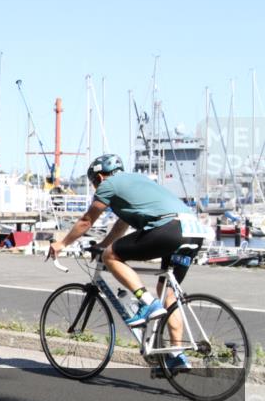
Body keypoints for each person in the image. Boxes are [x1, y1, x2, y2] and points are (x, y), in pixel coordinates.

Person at [48, 154, 211, 372]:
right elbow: (121, 226)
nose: (96, 187)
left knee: (111, 257)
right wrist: (104, 244)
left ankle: (147, 304)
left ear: (99, 176)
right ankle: (176, 355)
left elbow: (87, 220)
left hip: (169, 229)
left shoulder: (108, 185)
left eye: (94, 182)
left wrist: (62, 243)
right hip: (193, 232)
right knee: (168, 293)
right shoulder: (135, 181)